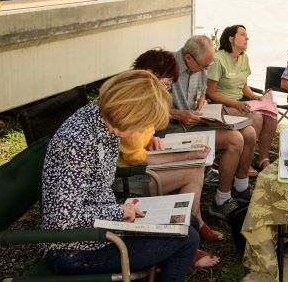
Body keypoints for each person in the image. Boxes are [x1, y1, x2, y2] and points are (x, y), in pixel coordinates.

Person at [41, 70, 201, 281]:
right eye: (144, 122)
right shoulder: (79, 141)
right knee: (187, 238)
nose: (145, 129)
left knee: (188, 222)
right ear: (128, 114)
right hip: (76, 248)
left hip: (101, 229)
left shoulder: (104, 120)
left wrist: (119, 212)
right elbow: (64, 219)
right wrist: (118, 212)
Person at [122, 49, 224, 248]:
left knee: (195, 166)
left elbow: (142, 136)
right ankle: (187, 233)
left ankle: (189, 230)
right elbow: (140, 159)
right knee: (193, 168)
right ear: (151, 76)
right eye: (167, 85)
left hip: (139, 167)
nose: (166, 90)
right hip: (128, 177)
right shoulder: (132, 106)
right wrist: (186, 155)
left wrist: (150, 138)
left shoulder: (142, 98)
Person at [167, 35, 257, 220]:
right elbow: (151, 109)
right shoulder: (166, 68)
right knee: (235, 139)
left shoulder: (199, 67)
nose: (207, 69)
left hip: (195, 122)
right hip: (172, 129)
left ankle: (240, 187)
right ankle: (221, 201)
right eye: (204, 66)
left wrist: (202, 100)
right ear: (188, 58)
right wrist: (179, 114)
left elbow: (201, 93)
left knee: (249, 132)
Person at [206, 25, 278, 172]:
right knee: (256, 117)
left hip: (240, 102)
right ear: (231, 39)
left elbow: (243, 85)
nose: (247, 38)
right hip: (221, 106)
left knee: (271, 116)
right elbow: (210, 92)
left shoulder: (244, 58)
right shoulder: (218, 60)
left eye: (247, 35)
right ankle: (245, 163)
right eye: (243, 34)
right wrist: (236, 103)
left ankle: (262, 158)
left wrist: (254, 97)